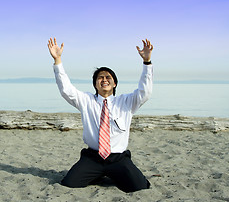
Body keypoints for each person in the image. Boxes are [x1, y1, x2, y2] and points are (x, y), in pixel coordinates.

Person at [47, 37, 154, 193]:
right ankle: (96, 175)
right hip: (92, 158)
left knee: (140, 187)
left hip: (118, 158)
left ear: (114, 84)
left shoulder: (126, 102)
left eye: (108, 77)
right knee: (69, 183)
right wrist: (58, 60)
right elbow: (66, 89)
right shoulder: (86, 100)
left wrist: (147, 62)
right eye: (100, 78)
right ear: (95, 84)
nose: (104, 80)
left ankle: (114, 173)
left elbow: (145, 91)